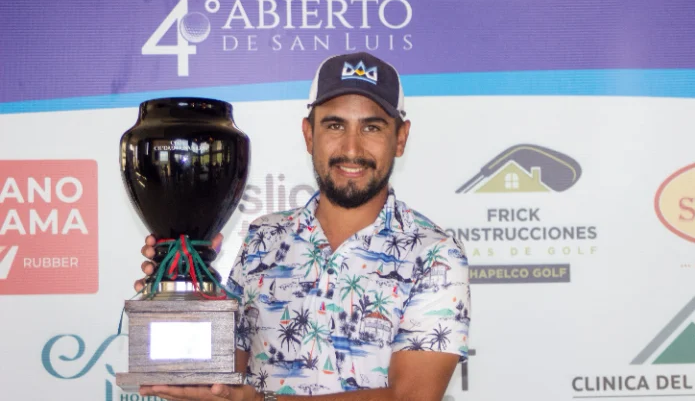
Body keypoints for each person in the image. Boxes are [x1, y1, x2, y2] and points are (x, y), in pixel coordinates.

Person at [136, 52, 472, 401]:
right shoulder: (263, 239)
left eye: (372, 127)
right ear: (308, 134)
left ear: (400, 139)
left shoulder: (435, 255)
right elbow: (220, 381)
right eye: (334, 125)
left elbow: (412, 398)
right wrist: (182, 286)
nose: (351, 148)